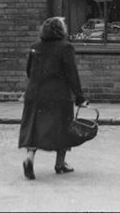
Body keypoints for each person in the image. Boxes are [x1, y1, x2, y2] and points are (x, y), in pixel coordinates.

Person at [18, 16, 88, 180]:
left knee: (34, 126)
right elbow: (72, 74)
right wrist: (80, 97)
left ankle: (29, 157)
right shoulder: (66, 47)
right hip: (58, 94)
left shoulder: (35, 47)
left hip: (35, 94)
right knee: (63, 126)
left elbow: (29, 72)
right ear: (61, 30)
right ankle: (60, 164)